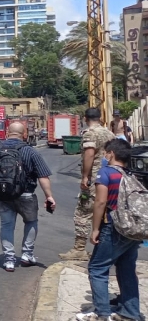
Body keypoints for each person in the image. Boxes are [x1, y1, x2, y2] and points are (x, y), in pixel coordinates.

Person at [76, 139, 142, 321]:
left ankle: (102, 313)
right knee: (126, 268)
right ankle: (131, 312)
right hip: (132, 229)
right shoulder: (130, 174)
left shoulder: (106, 173)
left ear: (111, 154)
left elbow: (101, 202)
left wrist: (95, 229)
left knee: (97, 268)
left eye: (106, 153)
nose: (105, 156)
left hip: (112, 227)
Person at [0, 122, 55, 271]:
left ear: (7, 133)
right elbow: (43, 176)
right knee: (31, 222)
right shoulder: (30, 151)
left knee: (7, 225)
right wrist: (49, 196)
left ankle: (9, 260)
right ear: (25, 134)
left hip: (3, 194)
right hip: (26, 194)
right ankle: (27, 255)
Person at [61, 108, 115, 260]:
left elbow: (89, 154)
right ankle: (105, 249)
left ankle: (79, 249)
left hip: (95, 179)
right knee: (104, 213)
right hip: (109, 177)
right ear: (100, 118)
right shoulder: (109, 133)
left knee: (83, 212)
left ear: (85, 118)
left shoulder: (90, 133)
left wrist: (85, 176)